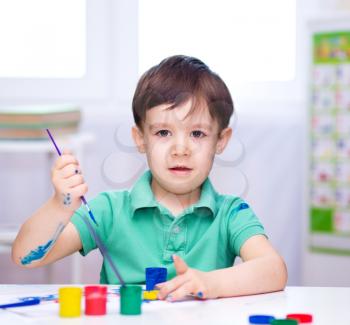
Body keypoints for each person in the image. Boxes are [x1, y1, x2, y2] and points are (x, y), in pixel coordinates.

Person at [12, 55, 287, 301]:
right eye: (163, 133)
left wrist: (211, 282)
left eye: (197, 134)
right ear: (140, 139)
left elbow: (274, 270)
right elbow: (26, 257)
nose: (181, 149)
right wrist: (59, 205)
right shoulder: (109, 210)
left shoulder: (230, 214)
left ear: (221, 140)